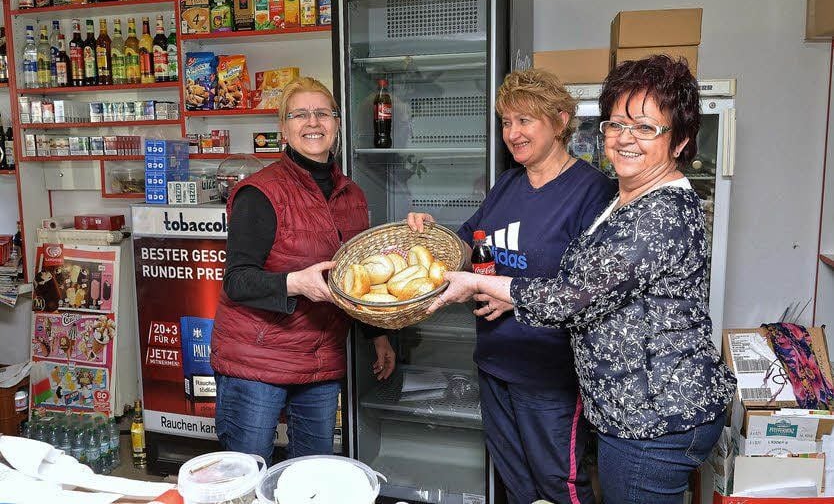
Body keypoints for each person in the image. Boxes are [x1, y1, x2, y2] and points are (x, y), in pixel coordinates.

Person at [430, 56, 737, 503]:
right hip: (627, 409)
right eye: (616, 124)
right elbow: (576, 280)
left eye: (645, 127)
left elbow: (572, 296)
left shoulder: (657, 214)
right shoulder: (625, 201)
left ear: (680, 141)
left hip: (654, 416)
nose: (625, 138)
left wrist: (482, 285)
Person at [408, 68, 615, 504]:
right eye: (506, 122)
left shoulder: (592, 192)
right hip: (495, 362)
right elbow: (471, 245)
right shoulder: (508, 184)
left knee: (559, 486)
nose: (512, 133)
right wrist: (431, 234)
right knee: (517, 485)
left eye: (525, 120)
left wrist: (511, 294)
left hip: (549, 375)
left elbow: (588, 289)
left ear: (560, 121)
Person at [211, 77, 396, 465]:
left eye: (322, 113)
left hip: (321, 359)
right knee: (247, 472)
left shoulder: (352, 195)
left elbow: (356, 277)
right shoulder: (260, 192)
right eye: (300, 114)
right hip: (257, 362)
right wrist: (296, 283)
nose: (313, 122)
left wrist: (377, 335)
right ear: (283, 128)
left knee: (312, 474)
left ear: (336, 123)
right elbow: (237, 280)